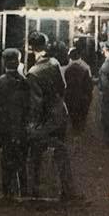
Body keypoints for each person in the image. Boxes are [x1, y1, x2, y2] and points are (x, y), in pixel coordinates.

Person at [26, 32, 78, 201]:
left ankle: (34, 190)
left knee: (36, 155)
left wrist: (33, 125)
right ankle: (67, 190)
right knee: (61, 151)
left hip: (45, 118)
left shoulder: (33, 72)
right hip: (60, 112)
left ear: (30, 47)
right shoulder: (54, 63)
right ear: (46, 45)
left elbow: (36, 103)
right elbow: (63, 87)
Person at [0, 48, 30, 198]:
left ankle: (8, 192)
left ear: (3, 62)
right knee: (22, 162)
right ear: (19, 62)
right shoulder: (26, 83)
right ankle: (23, 192)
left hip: (4, 128)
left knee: (6, 161)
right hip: (21, 127)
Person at [63, 47, 93, 132]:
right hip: (83, 96)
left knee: (73, 114)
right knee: (82, 114)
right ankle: (80, 129)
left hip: (71, 96)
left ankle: (75, 128)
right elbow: (89, 85)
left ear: (70, 57)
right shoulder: (86, 67)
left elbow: (64, 84)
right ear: (79, 56)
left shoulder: (67, 68)